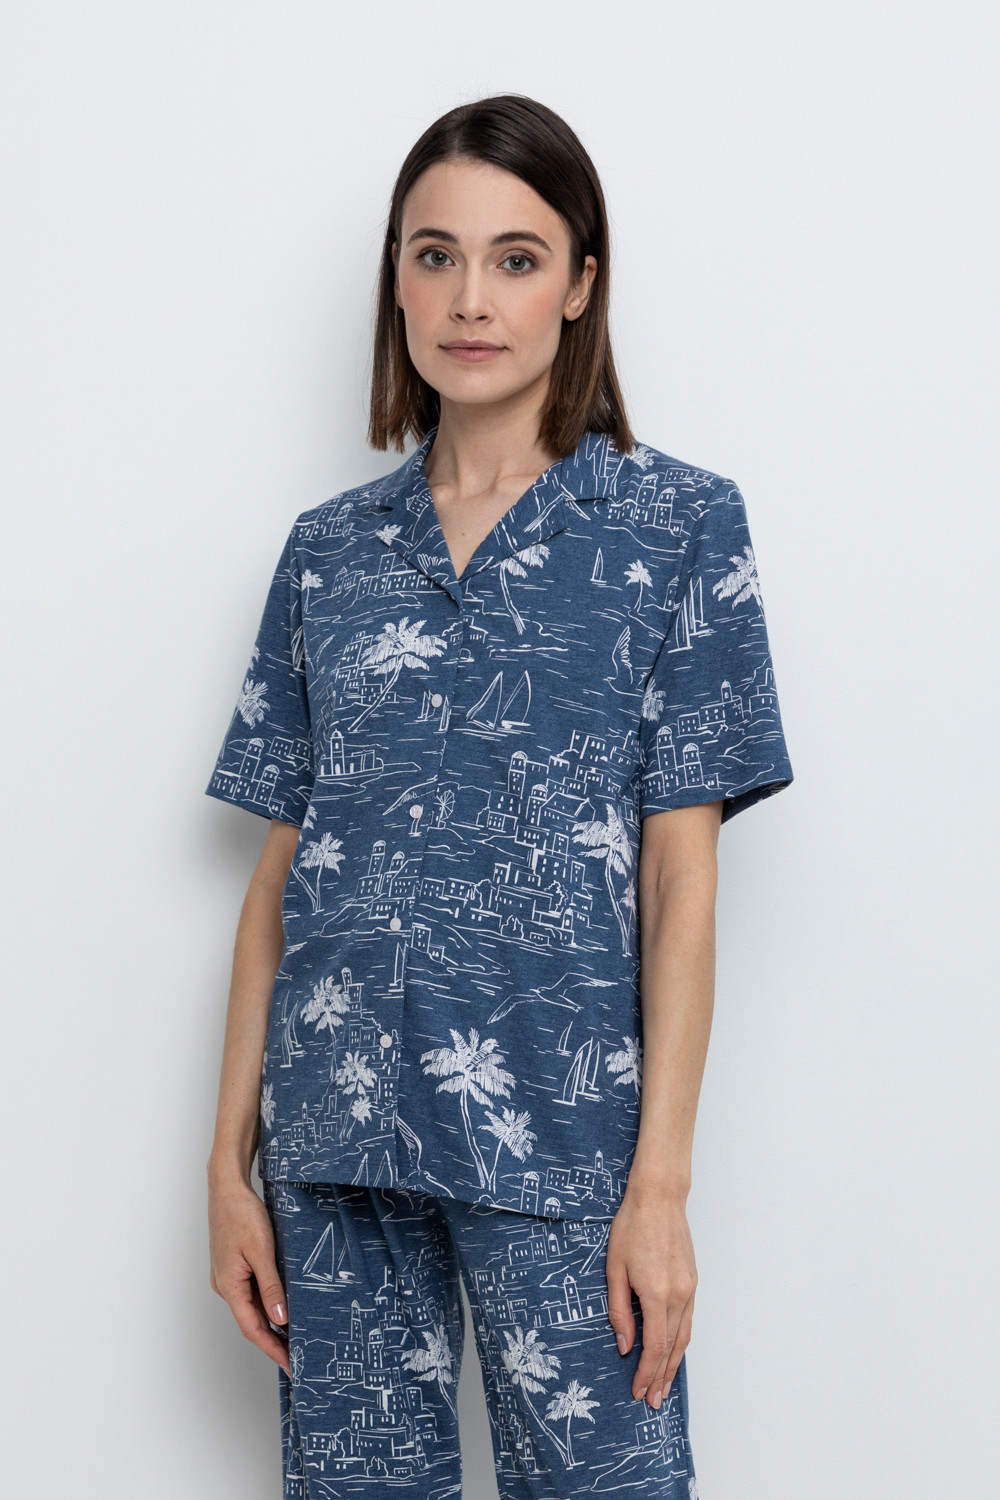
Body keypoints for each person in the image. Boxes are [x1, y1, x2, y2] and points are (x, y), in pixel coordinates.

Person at [205, 93, 793, 1500]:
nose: (471, 299)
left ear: (580, 283)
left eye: (517, 259)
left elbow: (682, 881)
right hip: (334, 1137)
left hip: (561, 1139)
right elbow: (281, 878)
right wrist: (228, 1167)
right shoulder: (330, 553)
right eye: (437, 255)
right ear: (398, 279)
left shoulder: (678, 526)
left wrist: (659, 1188)